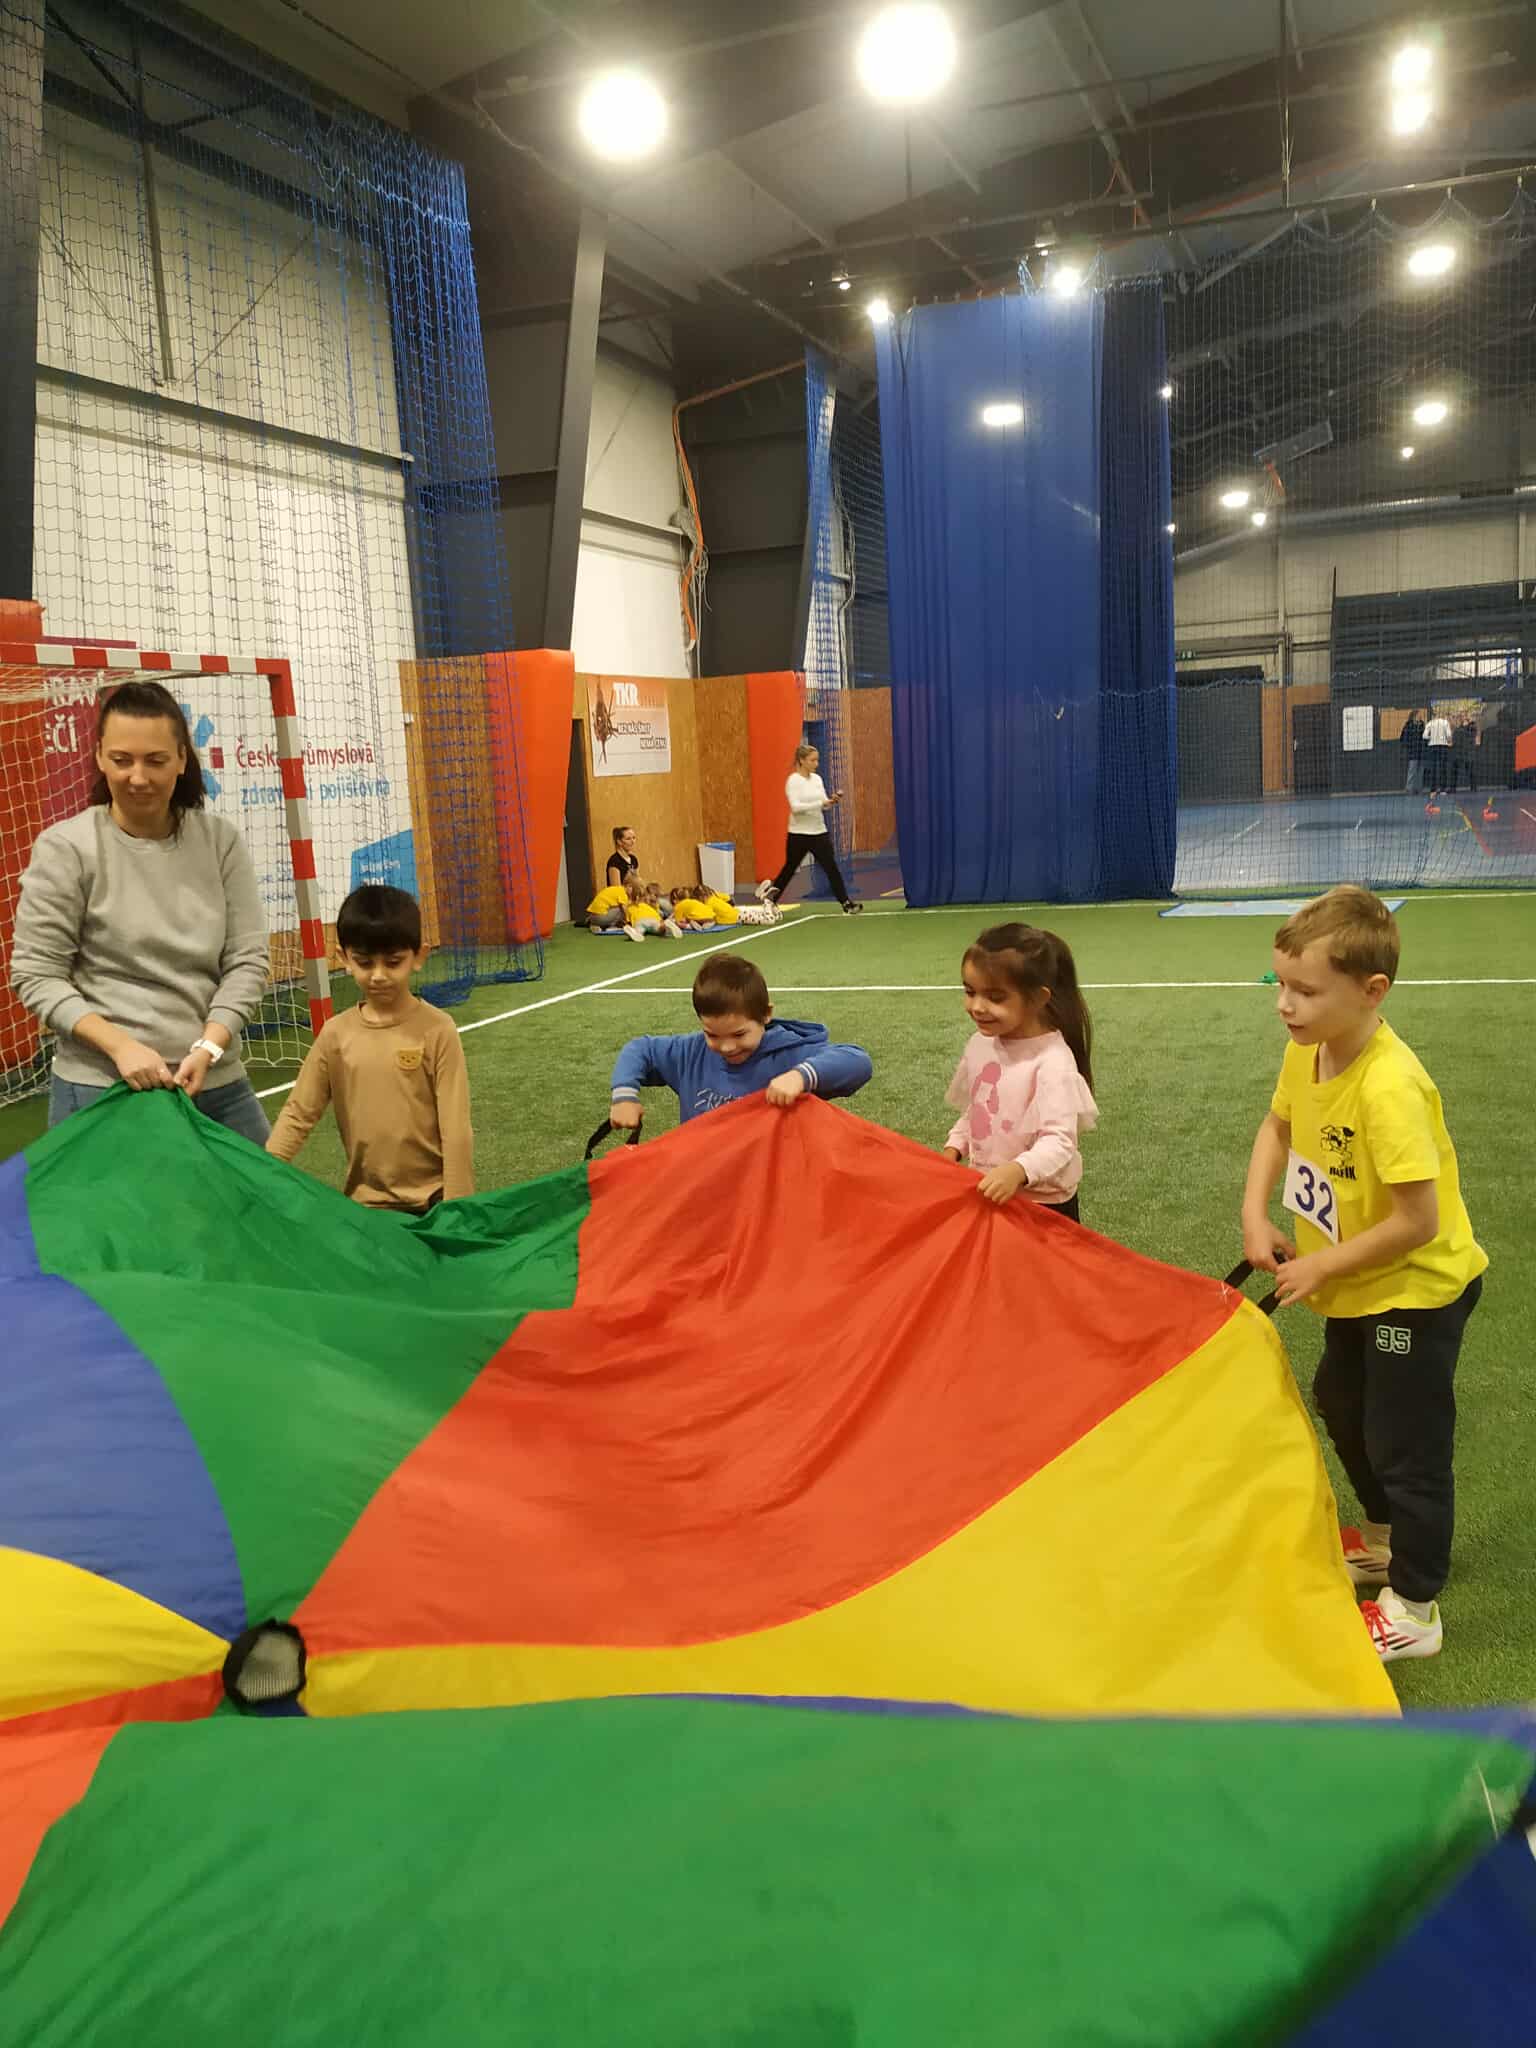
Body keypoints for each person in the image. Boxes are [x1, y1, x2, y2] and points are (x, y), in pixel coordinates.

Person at [1240, 886, 1486, 1663]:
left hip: (1414, 1291)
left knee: (1405, 1442)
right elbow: (1278, 1124)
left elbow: (1419, 1223)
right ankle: (1382, 1541)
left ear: (1371, 991)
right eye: (1280, 984)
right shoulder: (1308, 1046)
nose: (1285, 1004)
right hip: (1354, 1283)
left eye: (1306, 990)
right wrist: (1255, 1214)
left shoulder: (1389, 1087)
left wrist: (1320, 1263)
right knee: (1341, 1405)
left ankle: (1414, 1607)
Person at [9, 679, 271, 1141]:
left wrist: (210, 1046)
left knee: (265, 1189)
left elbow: (247, 961)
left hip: (215, 1083)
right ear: (98, 758)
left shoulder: (220, 842)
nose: (138, 777)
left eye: (155, 760)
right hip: (102, 1088)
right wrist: (121, 1048)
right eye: (121, 760)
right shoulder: (65, 848)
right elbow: (37, 974)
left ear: (182, 760)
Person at [266, 884, 473, 1213]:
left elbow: (456, 1128)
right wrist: (263, 1175)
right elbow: (298, 1114)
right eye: (364, 962)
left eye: (393, 962)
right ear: (344, 958)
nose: (378, 975)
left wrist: (458, 1208)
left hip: (433, 1202)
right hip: (366, 1208)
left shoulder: (438, 1030)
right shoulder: (335, 1035)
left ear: (419, 956)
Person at [941, 924, 1097, 1221]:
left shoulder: (1052, 1062)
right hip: (990, 1192)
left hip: (1043, 1206)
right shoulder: (979, 1044)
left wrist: (1018, 1170)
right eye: (970, 992)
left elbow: (1060, 1140)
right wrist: (954, 1147)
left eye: (995, 997)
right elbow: (979, 1110)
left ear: (1037, 998)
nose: (977, 1007)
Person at [609, 952, 871, 1128]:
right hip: (705, 1183)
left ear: (766, 1014)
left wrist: (800, 1077)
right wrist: (624, 1095)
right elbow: (640, 1049)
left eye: (739, 1034)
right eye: (712, 1034)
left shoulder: (788, 1055)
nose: (726, 1047)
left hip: (767, 1186)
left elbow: (858, 1061)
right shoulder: (691, 1053)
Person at [758, 744, 861, 914]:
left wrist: (830, 802)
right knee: (789, 869)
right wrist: (820, 803)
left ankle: (846, 903)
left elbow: (823, 803)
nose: (816, 764)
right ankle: (770, 900)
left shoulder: (817, 779)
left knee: (831, 867)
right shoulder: (793, 781)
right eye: (812, 760)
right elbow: (796, 807)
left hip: (819, 832)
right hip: (798, 834)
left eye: (817, 760)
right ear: (802, 760)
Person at [1422, 707, 1453, 799]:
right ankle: (1443, 790)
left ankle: (1433, 789)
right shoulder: (1445, 722)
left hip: (1432, 747)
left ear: (1433, 715)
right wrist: (1448, 741)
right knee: (1443, 767)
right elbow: (1449, 735)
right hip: (1443, 746)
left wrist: (1431, 738)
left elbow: (1424, 736)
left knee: (1433, 768)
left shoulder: (1430, 723)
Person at [1400, 708, 1427, 793]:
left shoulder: (1422, 725)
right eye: (1419, 715)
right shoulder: (1408, 725)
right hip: (1413, 750)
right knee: (1412, 769)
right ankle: (1409, 788)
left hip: (1421, 750)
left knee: (1421, 770)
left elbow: (1425, 736)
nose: (1420, 716)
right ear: (1414, 716)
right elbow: (1403, 737)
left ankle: (1419, 788)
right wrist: (1409, 745)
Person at [605, 826, 639, 891]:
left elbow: (637, 883)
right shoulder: (614, 861)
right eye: (628, 839)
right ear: (619, 841)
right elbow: (616, 889)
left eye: (634, 838)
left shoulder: (633, 859)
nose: (632, 841)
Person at [1451, 713, 1479, 793]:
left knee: (1456, 770)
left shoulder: (1460, 730)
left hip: (1462, 753)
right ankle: (1473, 788)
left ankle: (1453, 788)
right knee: (1471, 771)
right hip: (1466, 753)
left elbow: (1454, 741)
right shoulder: (1469, 731)